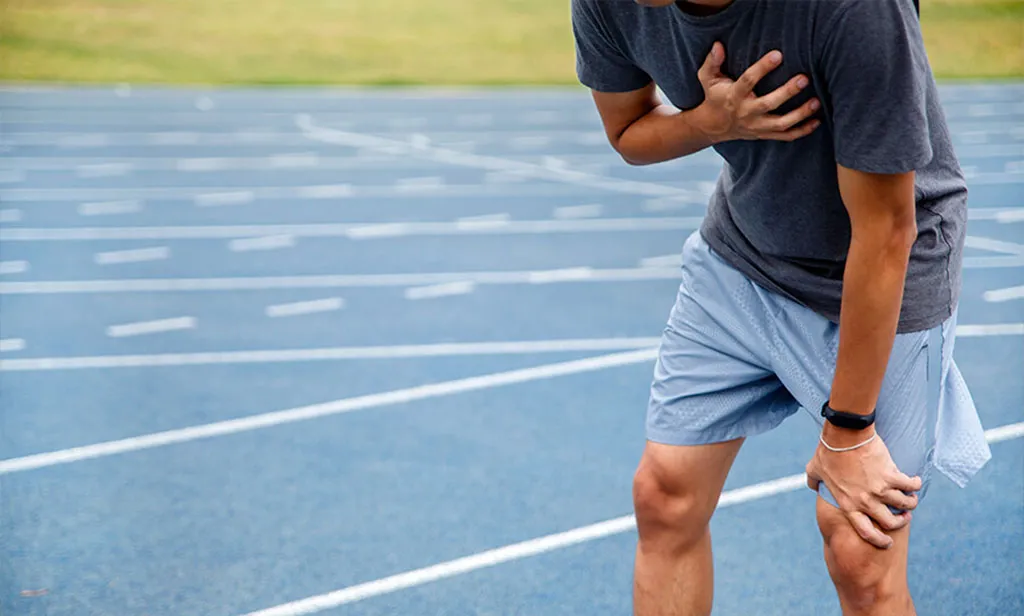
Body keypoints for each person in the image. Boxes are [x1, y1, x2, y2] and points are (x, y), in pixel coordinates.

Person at [569, 1, 992, 614]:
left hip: (885, 267)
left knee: (859, 550)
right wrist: (710, 122)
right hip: (744, 253)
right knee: (664, 497)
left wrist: (848, 433)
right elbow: (627, 131)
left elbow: (885, 231)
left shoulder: (854, 10)